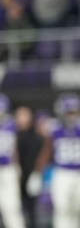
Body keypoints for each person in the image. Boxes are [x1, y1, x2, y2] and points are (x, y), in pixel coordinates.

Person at [26, 93, 80, 228]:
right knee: (62, 209)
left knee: (78, 211)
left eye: (75, 111)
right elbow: (46, 152)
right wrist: (37, 173)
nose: (72, 115)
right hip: (62, 174)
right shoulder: (55, 128)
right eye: (69, 112)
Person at [0, 95, 26, 228]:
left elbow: (15, 148)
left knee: (12, 207)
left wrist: (16, 166)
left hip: (8, 168)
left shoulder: (11, 124)